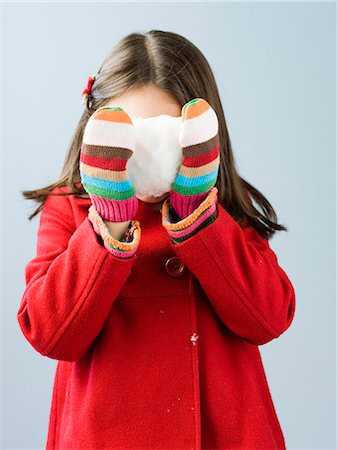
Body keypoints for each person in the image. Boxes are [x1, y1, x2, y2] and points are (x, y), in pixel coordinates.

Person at [17, 30, 296, 450]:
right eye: (131, 135)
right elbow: (51, 333)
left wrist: (198, 214)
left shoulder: (227, 209)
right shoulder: (71, 210)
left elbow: (269, 317)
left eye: (168, 136)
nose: (149, 154)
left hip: (226, 435)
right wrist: (109, 222)